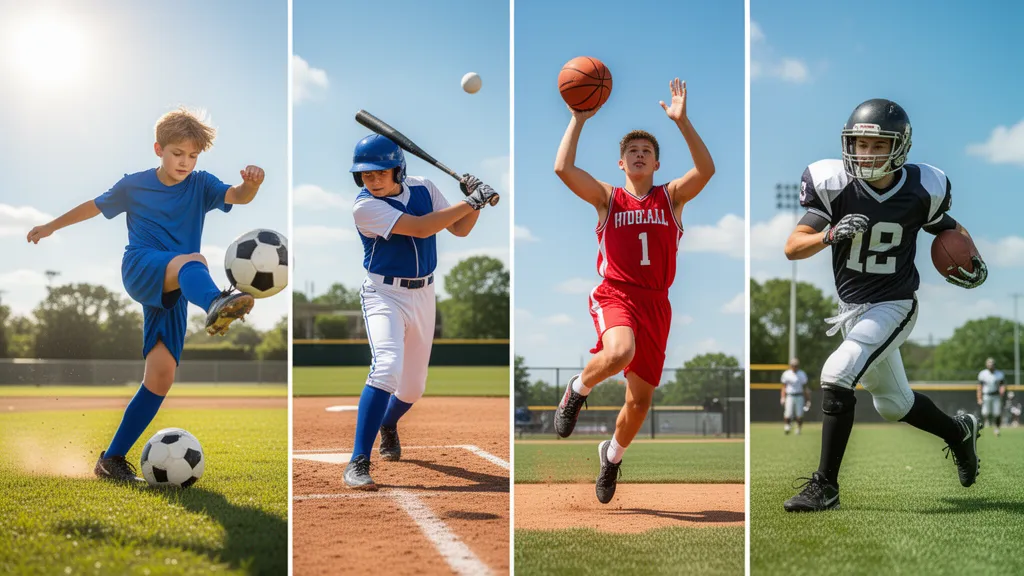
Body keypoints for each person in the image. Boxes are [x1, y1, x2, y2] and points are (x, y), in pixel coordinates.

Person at [26, 107, 261, 483]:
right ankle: (217, 302)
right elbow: (93, 206)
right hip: (142, 267)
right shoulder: (133, 185)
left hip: (178, 287)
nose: (185, 162)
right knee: (192, 260)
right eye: (177, 153)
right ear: (158, 149)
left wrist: (252, 184)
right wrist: (51, 226)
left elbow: (238, 195)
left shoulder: (201, 184)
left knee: (161, 378)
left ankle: (111, 459)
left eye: (192, 156)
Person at [782, 98, 987, 512]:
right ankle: (959, 433)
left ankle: (825, 486)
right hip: (851, 309)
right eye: (860, 144)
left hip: (894, 304)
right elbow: (792, 247)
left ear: (900, 147)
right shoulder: (834, 183)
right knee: (895, 405)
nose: (867, 153)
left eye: (878, 146)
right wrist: (830, 234)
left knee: (836, 373)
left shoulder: (921, 187)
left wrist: (974, 258)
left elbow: (948, 228)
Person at [551, 79, 715, 504]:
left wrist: (682, 122)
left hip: (657, 303)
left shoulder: (671, 197)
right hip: (616, 294)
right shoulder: (608, 198)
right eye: (631, 152)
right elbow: (563, 170)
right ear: (621, 163)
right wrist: (577, 119)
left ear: (657, 163)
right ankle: (578, 389)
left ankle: (611, 457)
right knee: (619, 351)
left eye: (646, 151)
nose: (638, 155)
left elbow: (707, 171)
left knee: (639, 404)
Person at [341, 134, 498, 490]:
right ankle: (358, 462)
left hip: (424, 293)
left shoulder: (424, 188)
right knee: (387, 366)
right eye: (366, 175)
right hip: (384, 294)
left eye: (381, 172)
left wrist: (474, 205)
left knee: (412, 389)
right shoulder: (364, 207)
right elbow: (424, 227)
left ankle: (388, 423)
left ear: (398, 169)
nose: (373, 180)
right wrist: (471, 198)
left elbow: (459, 229)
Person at [780, 358, 811, 435]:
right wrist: (783, 397)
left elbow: (805, 387)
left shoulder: (802, 374)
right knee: (788, 413)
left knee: (799, 414)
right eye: (793, 365)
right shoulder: (786, 374)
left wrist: (808, 399)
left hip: (799, 395)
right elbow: (784, 387)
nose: (794, 367)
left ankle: (798, 428)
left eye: (796, 365)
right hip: (790, 395)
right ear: (790, 366)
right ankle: (787, 425)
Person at [977, 357, 1006, 437]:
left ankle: (997, 428)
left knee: (997, 413)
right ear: (986, 365)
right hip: (986, 395)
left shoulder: (999, 374)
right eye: (989, 364)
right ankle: (986, 423)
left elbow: (1002, 385)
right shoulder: (983, 374)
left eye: (992, 364)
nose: (990, 365)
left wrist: (1002, 390)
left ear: (994, 365)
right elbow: (979, 387)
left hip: (996, 396)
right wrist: (979, 398)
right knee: (985, 412)